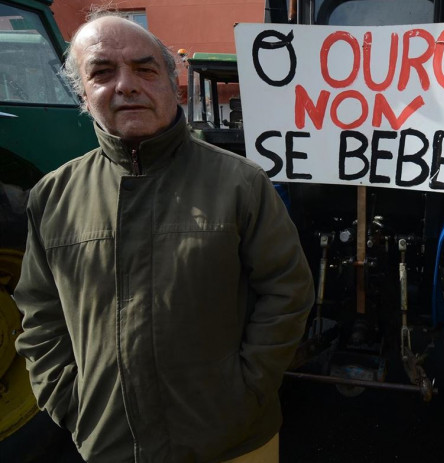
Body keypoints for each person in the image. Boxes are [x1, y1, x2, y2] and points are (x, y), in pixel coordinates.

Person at [13, 14, 314, 463]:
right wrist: (70, 402)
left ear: (173, 84)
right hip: (110, 444)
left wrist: (246, 391)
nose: (127, 85)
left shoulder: (241, 184)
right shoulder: (53, 197)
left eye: (145, 68)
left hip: (234, 443)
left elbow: (287, 293)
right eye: (102, 72)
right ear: (81, 93)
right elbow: (40, 316)